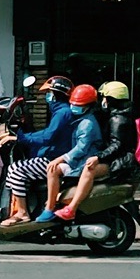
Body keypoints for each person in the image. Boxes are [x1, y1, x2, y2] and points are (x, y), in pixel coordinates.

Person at [52, 79, 136, 223]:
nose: (103, 101)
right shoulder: (115, 115)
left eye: (105, 98)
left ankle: (72, 208)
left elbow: (117, 145)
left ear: (111, 99)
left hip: (119, 162)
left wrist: (98, 157)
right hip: (116, 158)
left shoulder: (118, 119)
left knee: (89, 168)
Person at [2, 75, 77, 222]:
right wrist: (22, 136)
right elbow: (46, 133)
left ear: (56, 94)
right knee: (16, 171)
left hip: (55, 158)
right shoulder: (61, 112)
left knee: (15, 169)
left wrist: (21, 138)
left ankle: (22, 213)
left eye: (49, 93)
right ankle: (19, 210)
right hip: (55, 155)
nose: (47, 96)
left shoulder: (63, 113)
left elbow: (47, 137)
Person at [39, 85, 105, 220]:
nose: (74, 107)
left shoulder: (87, 124)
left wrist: (61, 158)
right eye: (73, 104)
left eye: (79, 105)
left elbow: (81, 148)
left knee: (53, 168)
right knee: (53, 169)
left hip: (82, 162)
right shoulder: (80, 120)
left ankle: (50, 208)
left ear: (88, 106)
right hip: (78, 162)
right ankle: (51, 206)